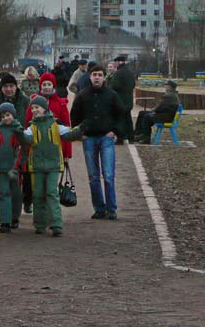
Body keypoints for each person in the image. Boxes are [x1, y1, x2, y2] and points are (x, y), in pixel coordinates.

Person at [19, 96, 81, 237]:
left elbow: (69, 135)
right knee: (38, 194)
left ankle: (56, 224)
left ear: (45, 108)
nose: (34, 110)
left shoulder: (56, 125)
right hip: (37, 166)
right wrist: (18, 132)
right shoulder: (31, 127)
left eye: (37, 107)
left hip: (53, 165)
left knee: (52, 193)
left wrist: (81, 129)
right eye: (32, 108)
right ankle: (40, 224)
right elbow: (26, 139)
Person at [70, 65, 125, 220]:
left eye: (100, 75)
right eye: (94, 74)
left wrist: (115, 131)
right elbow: (74, 115)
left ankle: (111, 208)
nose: (97, 77)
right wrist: (79, 133)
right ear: (90, 76)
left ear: (104, 77)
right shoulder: (82, 95)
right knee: (93, 176)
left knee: (108, 175)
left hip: (106, 138)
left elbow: (121, 115)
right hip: (89, 139)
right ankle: (99, 208)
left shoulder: (111, 95)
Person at [0, 102, 23, 233]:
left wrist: (18, 165)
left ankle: (15, 217)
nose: (5, 118)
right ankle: (4, 221)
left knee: (16, 194)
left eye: (8, 115)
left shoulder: (19, 131)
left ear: (13, 115)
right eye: (2, 116)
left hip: (15, 168)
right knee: (3, 193)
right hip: (1, 167)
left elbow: (21, 149)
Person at [110, 54, 136, 143]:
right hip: (128, 100)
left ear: (119, 62)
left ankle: (120, 138)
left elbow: (114, 86)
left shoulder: (118, 73)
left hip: (120, 100)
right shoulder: (130, 72)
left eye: (115, 62)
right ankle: (131, 137)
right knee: (128, 119)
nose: (114, 64)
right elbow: (133, 85)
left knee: (120, 120)